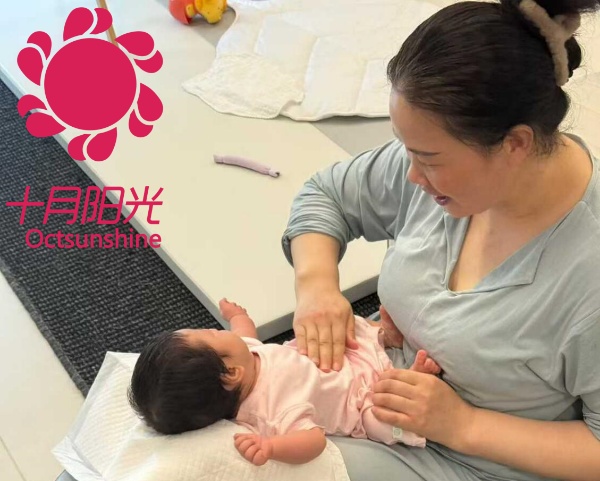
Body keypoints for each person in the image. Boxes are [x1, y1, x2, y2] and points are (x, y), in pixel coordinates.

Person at [280, 0, 600, 480]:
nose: (412, 176)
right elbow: (326, 197)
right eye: (408, 151)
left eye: (428, 159)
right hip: (370, 388)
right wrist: (317, 286)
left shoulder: (587, 276)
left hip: (469, 464)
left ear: (515, 144)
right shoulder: (441, 167)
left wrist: (464, 424)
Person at [127, 299, 441, 465]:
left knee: (348, 329)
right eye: (212, 333)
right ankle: (413, 378)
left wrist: (237, 316)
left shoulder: (244, 356)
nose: (218, 330)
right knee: (381, 420)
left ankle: (386, 338)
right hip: (358, 400)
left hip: (340, 359)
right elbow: (314, 441)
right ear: (231, 374)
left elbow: (244, 333)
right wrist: (272, 448)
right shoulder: (269, 412)